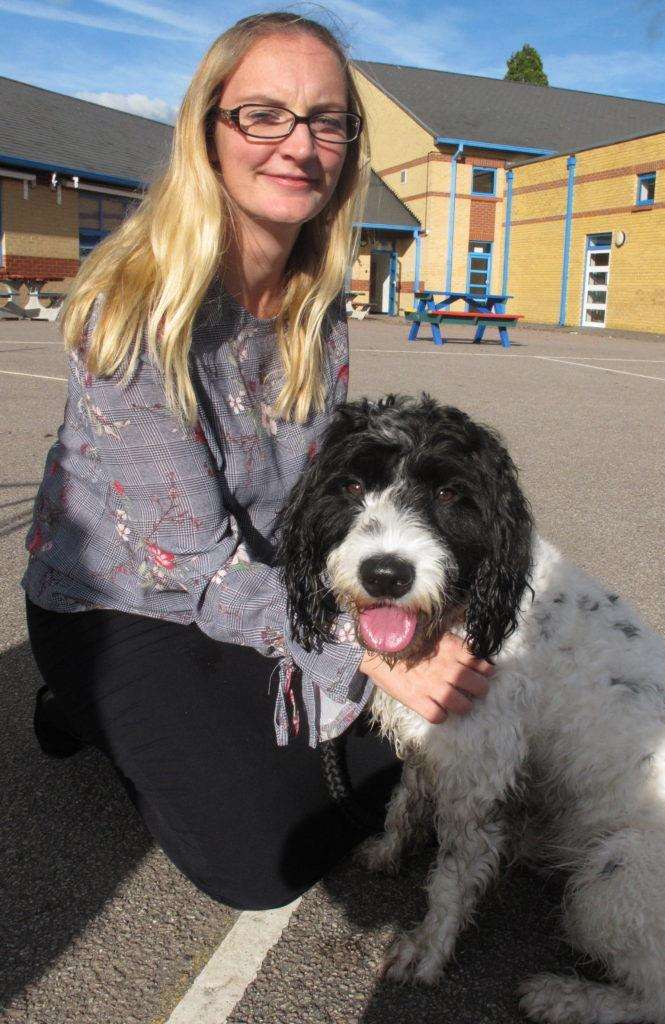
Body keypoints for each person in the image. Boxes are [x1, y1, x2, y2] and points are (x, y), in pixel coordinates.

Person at [22, 11, 494, 911]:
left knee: (409, 745)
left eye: (325, 120)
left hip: (258, 579)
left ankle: (204, 730)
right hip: (125, 602)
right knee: (265, 862)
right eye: (263, 115)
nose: (299, 145)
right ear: (210, 131)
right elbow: (195, 567)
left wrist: (400, 609)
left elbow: (316, 497)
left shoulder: (318, 306)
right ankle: (80, 703)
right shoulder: (131, 311)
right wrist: (374, 652)